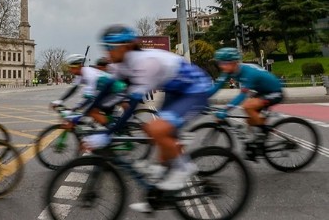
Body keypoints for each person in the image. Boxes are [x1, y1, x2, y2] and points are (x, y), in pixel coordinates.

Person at [83, 24, 212, 213]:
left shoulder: (145, 63)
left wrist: (108, 134)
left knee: (157, 129)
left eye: (110, 47)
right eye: (105, 47)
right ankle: (156, 197)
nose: (107, 53)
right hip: (174, 90)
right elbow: (107, 89)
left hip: (195, 89)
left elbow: (132, 105)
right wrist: (87, 111)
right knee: (157, 133)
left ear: (125, 46)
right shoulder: (121, 63)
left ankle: (184, 169)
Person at [209, 47, 283, 157]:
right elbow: (215, 88)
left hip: (275, 92)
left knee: (247, 106)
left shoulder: (249, 73)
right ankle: (259, 141)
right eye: (219, 62)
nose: (221, 66)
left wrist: (225, 110)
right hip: (262, 91)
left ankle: (265, 131)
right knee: (250, 121)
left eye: (224, 63)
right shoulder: (228, 71)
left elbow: (242, 96)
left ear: (234, 62)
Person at [51, 54, 126, 127]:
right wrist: (59, 101)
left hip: (117, 91)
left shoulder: (89, 75)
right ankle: (113, 125)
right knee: (98, 112)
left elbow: (90, 98)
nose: (69, 70)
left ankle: (111, 131)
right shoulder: (80, 75)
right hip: (109, 91)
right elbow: (73, 90)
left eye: (71, 68)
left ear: (78, 66)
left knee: (91, 111)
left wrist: (74, 109)